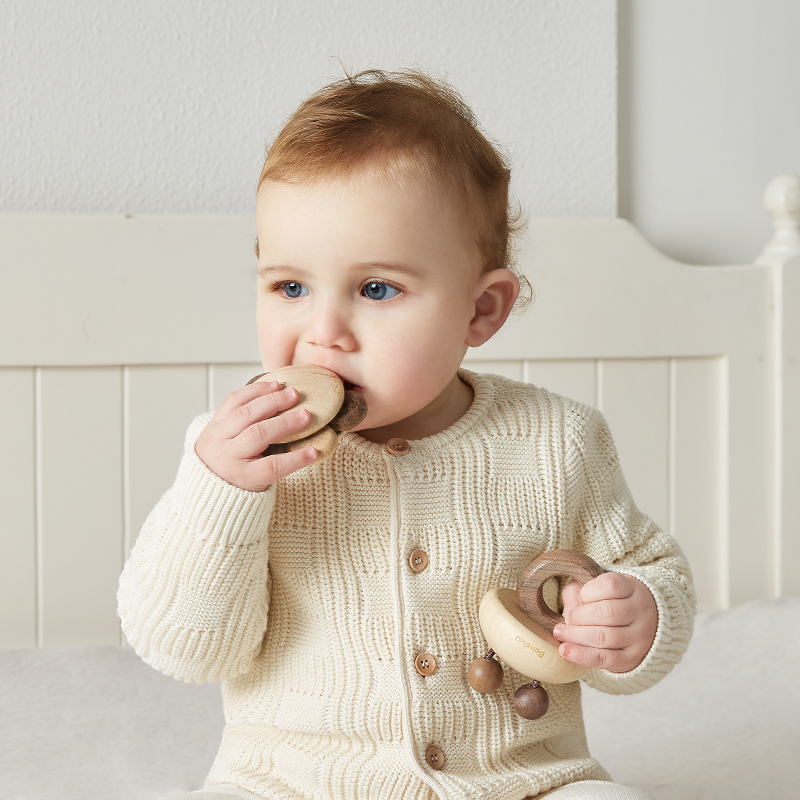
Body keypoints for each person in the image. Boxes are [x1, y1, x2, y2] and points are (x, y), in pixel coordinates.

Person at [118, 69, 695, 800]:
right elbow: (184, 648)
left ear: (481, 311)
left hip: (520, 780)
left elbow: (651, 570)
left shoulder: (560, 439)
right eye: (290, 287)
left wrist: (636, 613)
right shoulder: (239, 453)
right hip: (290, 782)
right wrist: (220, 492)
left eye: (377, 289)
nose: (323, 334)